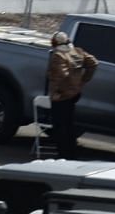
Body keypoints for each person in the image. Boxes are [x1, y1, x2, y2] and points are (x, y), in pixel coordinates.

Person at [46, 30, 98, 159]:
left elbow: (60, 74)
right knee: (69, 123)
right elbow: (93, 63)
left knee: (59, 125)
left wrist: (57, 92)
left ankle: (63, 153)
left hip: (61, 95)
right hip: (75, 93)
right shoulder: (77, 51)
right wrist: (83, 80)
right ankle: (71, 150)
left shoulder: (58, 55)